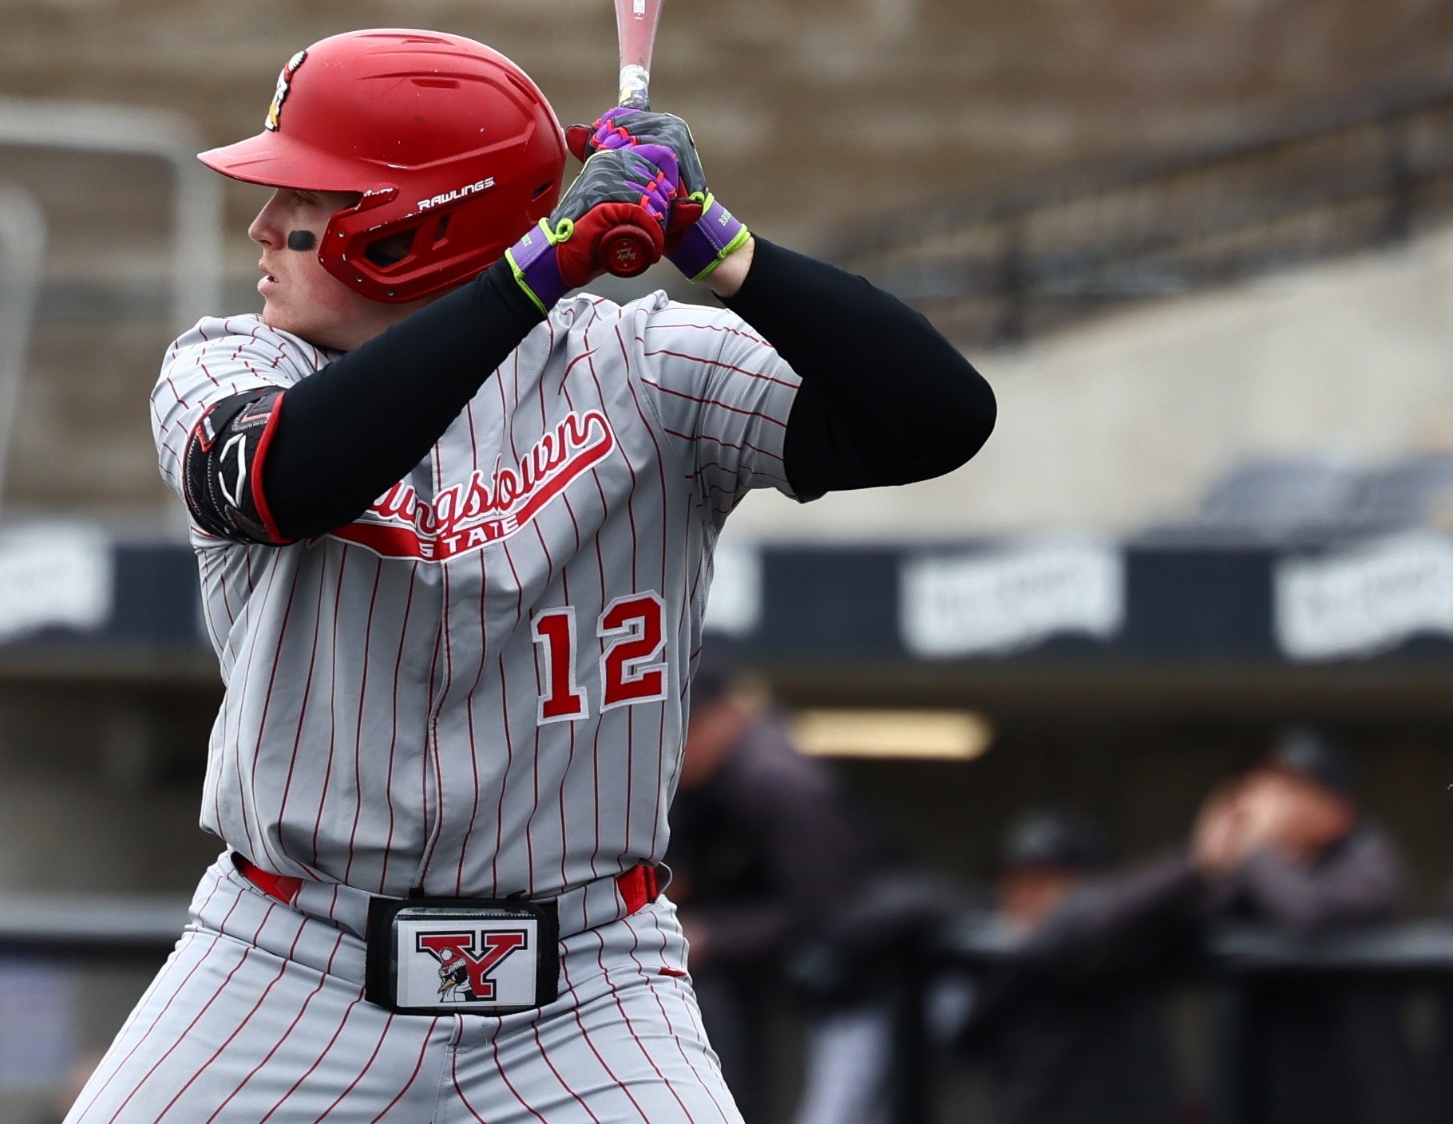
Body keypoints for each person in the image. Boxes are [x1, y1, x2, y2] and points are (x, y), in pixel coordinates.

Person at [66, 27, 993, 1122]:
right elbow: (281, 476)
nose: (263, 227)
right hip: (284, 960)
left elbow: (939, 418)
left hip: (588, 986)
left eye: (307, 200)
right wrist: (536, 266)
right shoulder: (230, 360)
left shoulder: (646, 367)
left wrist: (716, 241)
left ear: (412, 228)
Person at [663, 649, 888, 1123]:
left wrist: (714, 935)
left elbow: (828, 910)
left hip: (868, 978)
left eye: (689, 727)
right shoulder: (710, 782)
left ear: (728, 715)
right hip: (800, 981)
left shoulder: (773, 777)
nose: (678, 745)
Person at [1192, 726, 1428, 1124]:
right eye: (1259, 785)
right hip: (1260, 1096)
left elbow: (1308, 914)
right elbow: (1187, 925)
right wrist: (1207, 859)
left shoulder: (1368, 858)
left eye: (1288, 788)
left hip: (1353, 1102)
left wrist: (1255, 849)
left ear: (1336, 810)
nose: (1264, 801)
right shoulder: (1248, 875)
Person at [947, 808, 1206, 1124]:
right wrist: (1200, 860)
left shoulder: (1125, 941)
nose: (1024, 894)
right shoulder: (997, 957)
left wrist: (1203, 862)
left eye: (1043, 880)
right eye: (1015, 879)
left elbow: (1084, 925)